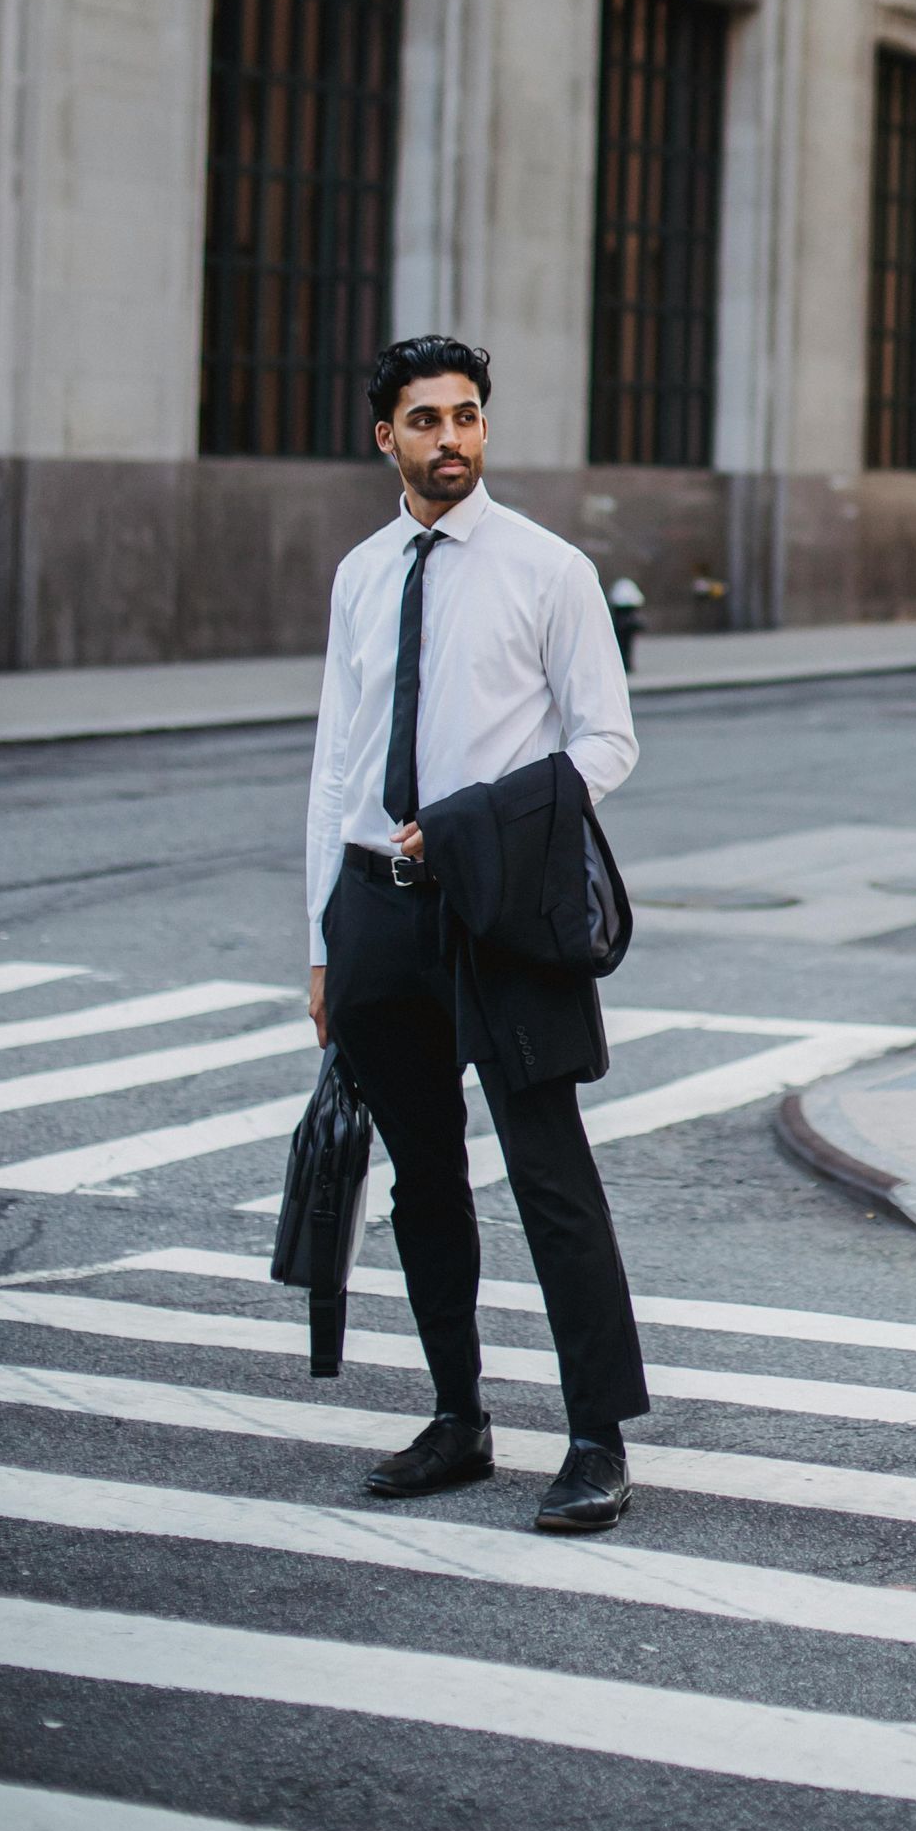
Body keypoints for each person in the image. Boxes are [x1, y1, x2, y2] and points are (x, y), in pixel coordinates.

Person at [306, 332, 647, 1532]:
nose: (451, 438)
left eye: (468, 417)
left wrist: (470, 828)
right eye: (427, 420)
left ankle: (597, 1435)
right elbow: (335, 758)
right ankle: (459, 1415)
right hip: (376, 923)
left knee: (553, 1179)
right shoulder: (361, 574)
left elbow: (608, 743)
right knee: (423, 1187)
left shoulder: (549, 570)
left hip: (502, 918)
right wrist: (319, 938)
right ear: (384, 437)